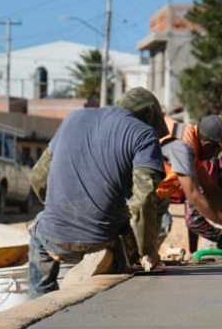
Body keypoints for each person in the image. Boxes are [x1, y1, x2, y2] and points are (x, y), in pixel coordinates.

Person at [27, 86, 168, 297]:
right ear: (149, 115)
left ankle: (39, 302)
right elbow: (143, 200)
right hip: (104, 238)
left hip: (55, 238)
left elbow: (37, 178)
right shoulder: (144, 134)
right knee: (128, 223)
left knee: (40, 232)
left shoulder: (73, 119)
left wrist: (58, 210)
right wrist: (148, 252)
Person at [156, 114, 222, 252]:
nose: (217, 155)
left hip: (152, 193)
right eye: (218, 149)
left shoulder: (192, 145)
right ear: (208, 144)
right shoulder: (184, 147)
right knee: (159, 226)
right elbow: (194, 197)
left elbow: (212, 191)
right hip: (134, 188)